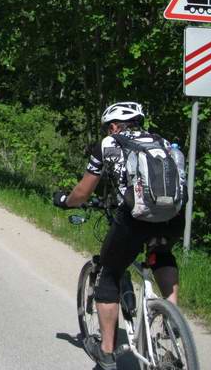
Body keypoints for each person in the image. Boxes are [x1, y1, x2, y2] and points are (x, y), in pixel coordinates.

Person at [52, 102, 186, 370]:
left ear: (114, 126)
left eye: (108, 127)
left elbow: (84, 191)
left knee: (109, 276)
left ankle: (107, 353)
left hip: (134, 219)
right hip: (172, 216)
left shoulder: (108, 144)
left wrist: (66, 200)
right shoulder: (162, 141)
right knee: (161, 254)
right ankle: (172, 320)